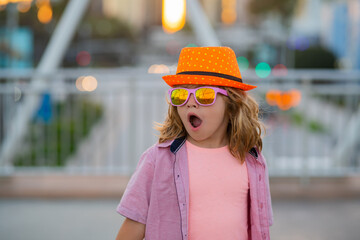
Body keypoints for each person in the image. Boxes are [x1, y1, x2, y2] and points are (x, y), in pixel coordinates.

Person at [115, 46, 273, 240]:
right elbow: (134, 225)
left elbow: (259, 226)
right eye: (181, 95)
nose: (190, 103)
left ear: (232, 103)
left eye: (204, 95)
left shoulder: (252, 160)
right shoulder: (156, 160)